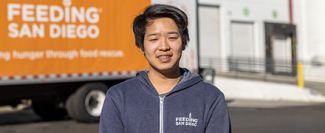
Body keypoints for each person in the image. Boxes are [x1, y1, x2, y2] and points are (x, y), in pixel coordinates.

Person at [99, 4, 231, 133]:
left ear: (183, 43)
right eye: (154, 39)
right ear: (141, 46)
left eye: (172, 37)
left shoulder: (211, 98)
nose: (164, 46)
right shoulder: (118, 97)